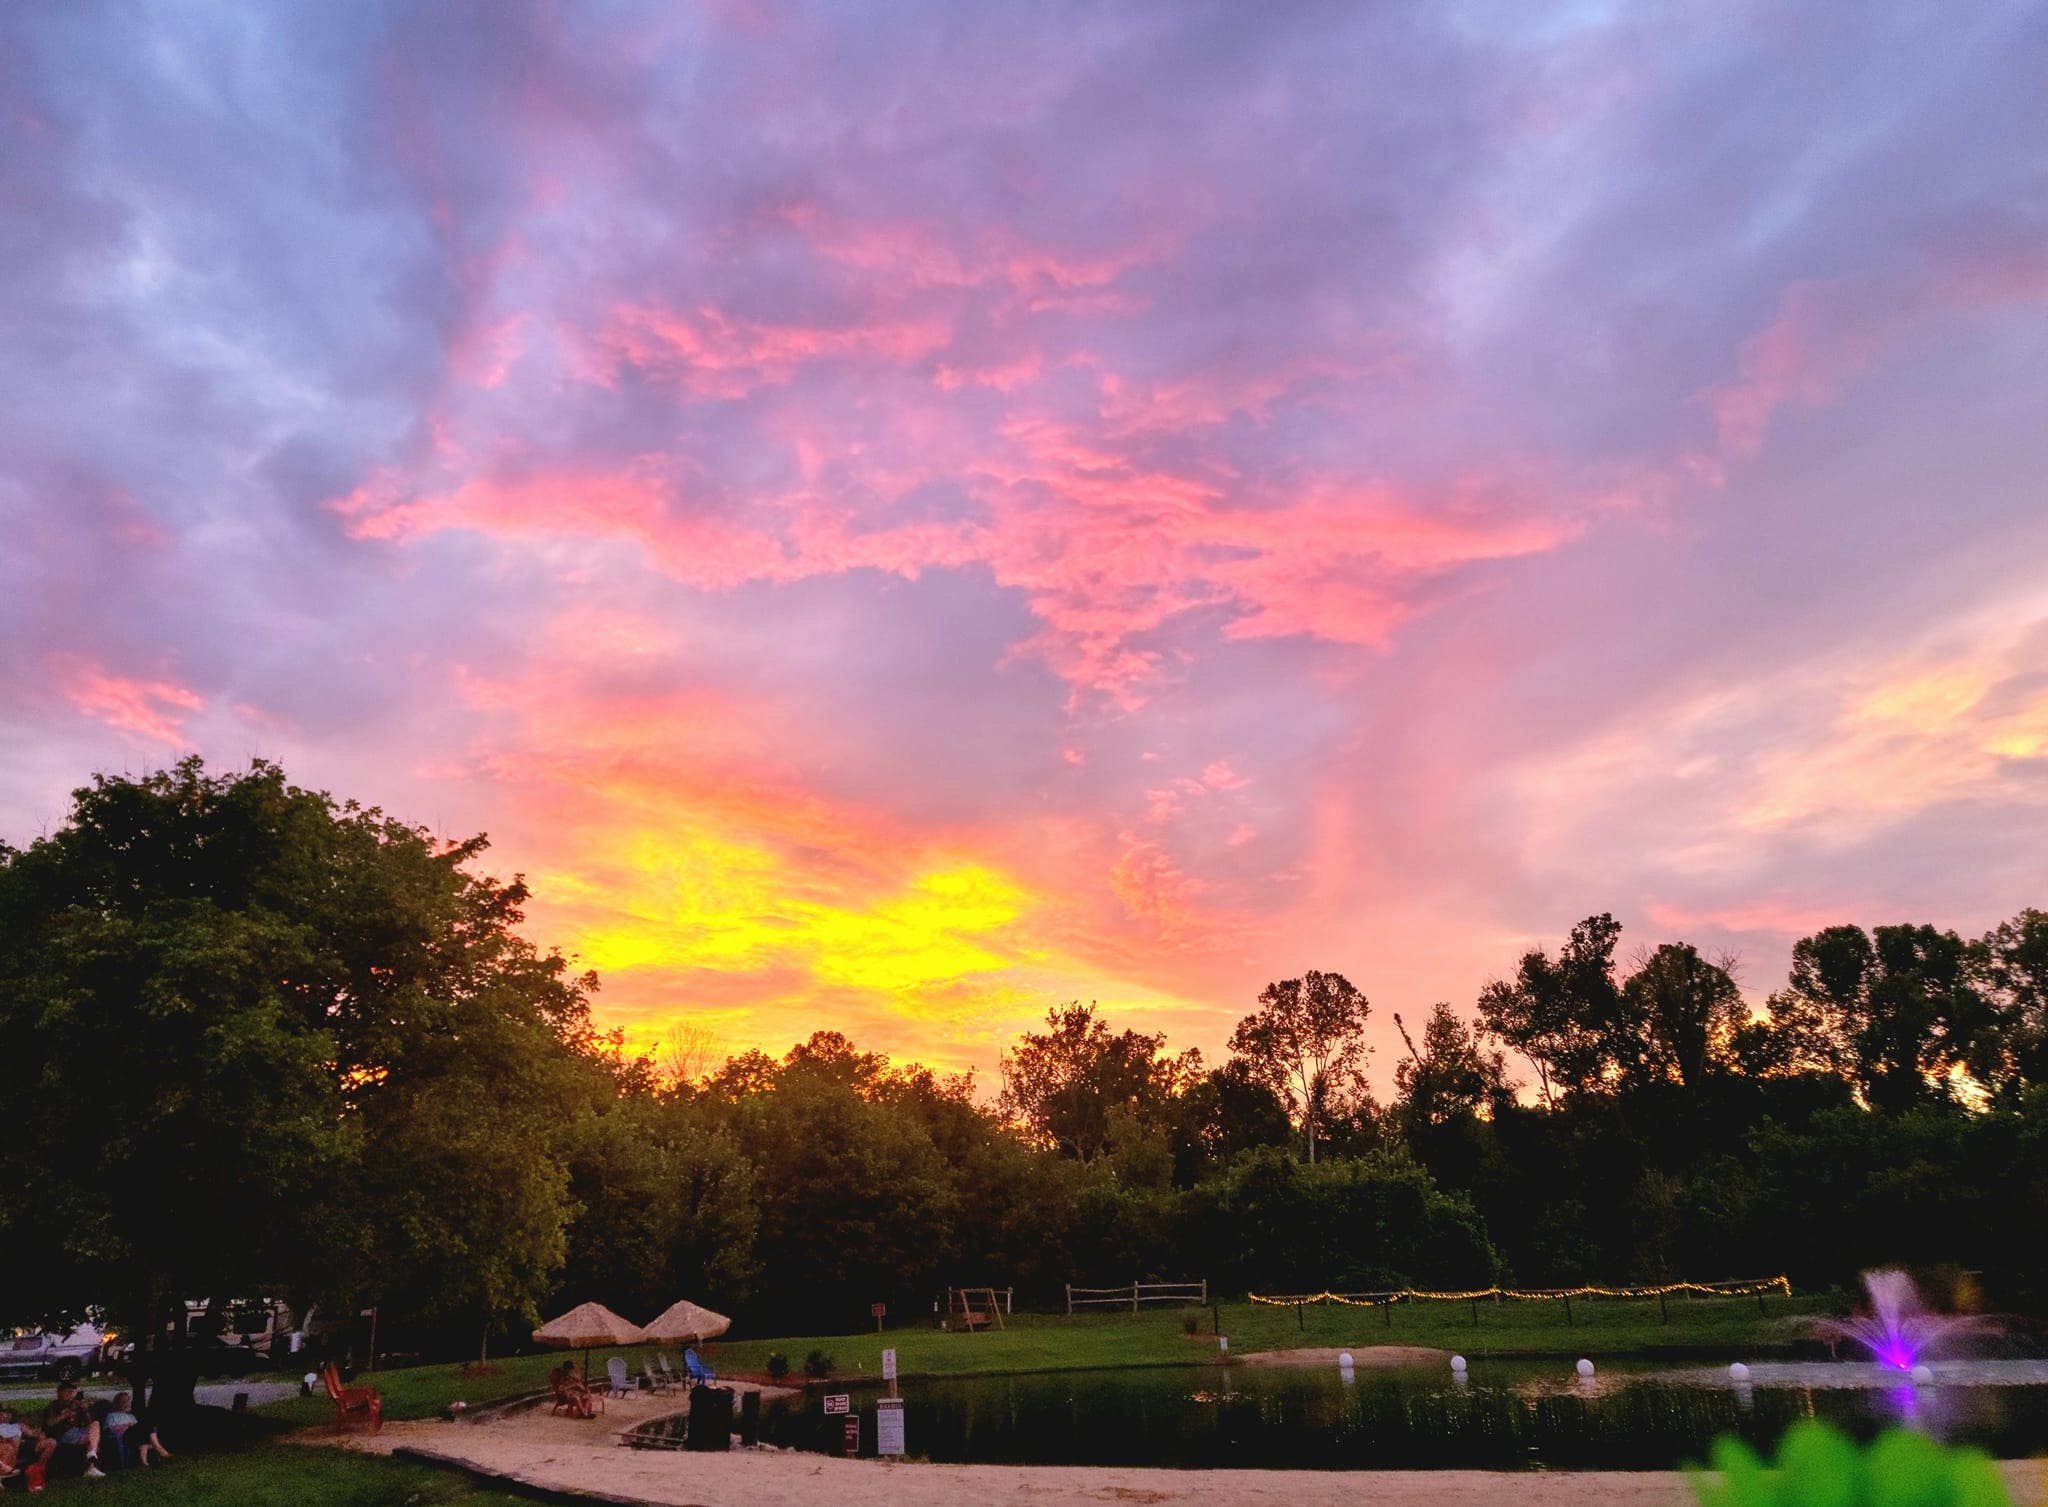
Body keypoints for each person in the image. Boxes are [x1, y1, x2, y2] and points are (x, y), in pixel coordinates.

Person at [40, 1381, 105, 1479]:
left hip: (80, 1433)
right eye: (68, 1392)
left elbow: (89, 1422)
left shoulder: (77, 1404)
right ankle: (91, 1465)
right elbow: (49, 1423)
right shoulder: (53, 1406)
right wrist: (65, 1415)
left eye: (73, 1393)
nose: (70, 1395)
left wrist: (86, 1410)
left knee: (95, 1425)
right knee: (92, 1441)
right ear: (59, 1393)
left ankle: (92, 1456)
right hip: (64, 1435)